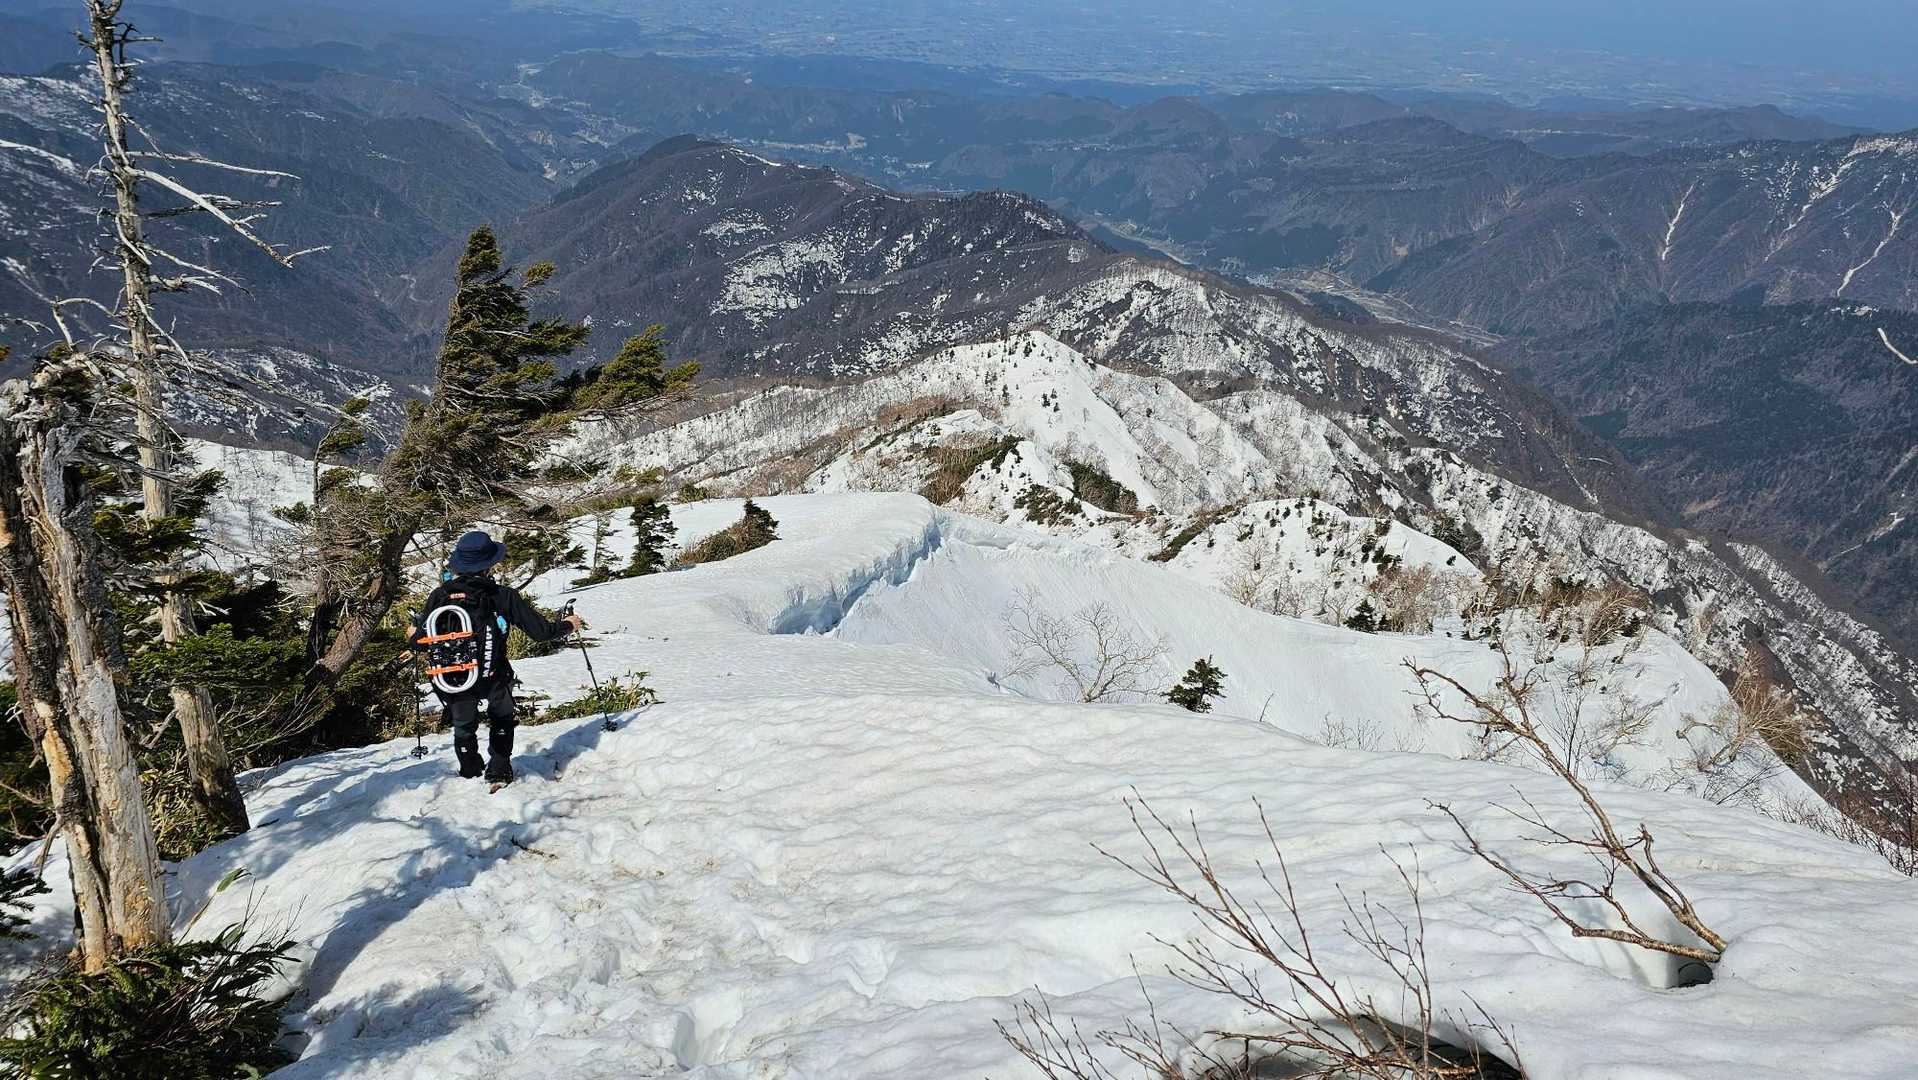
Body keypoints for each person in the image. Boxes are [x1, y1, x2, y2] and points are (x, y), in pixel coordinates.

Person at [410, 530, 584, 786]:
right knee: (502, 717)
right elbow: (541, 632)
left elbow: (419, 643)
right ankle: (499, 770)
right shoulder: (502, 595)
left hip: (456, 676)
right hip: (494, 673)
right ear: (489, 565)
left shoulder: (440, 596)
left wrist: (412, 634)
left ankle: (469, 769)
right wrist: (569, 625)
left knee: (463, 725)